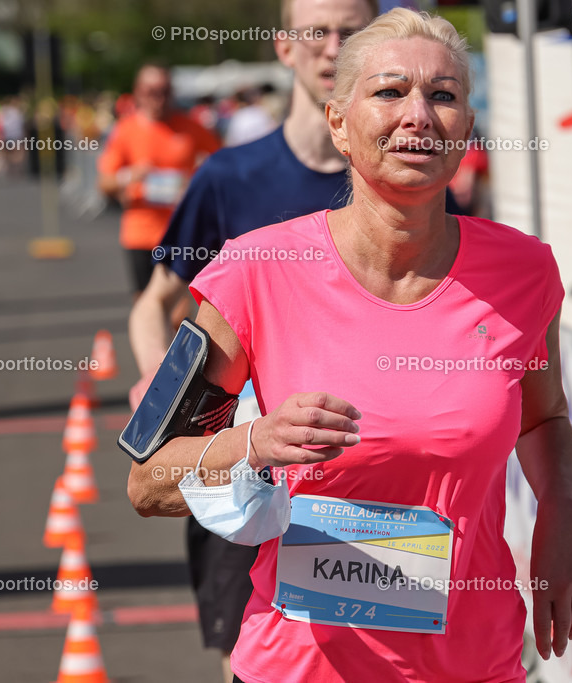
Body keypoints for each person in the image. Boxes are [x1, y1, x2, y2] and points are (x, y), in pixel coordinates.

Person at [126, 9, 572, 683]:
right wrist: (253, 443)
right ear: (339, 125)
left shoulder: (525, 273)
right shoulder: (252, 271)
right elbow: (148, 478)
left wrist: (562, 511)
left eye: (443, 96)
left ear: (466, 129)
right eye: (389, 92)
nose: (419, 115)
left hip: (473, 664)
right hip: (300, 669)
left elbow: (544, 415)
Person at [127, 2, 378, 681]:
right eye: (316, 33)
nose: (334, 48)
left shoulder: (402, 185)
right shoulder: (227, 180)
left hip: (359, 487)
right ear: (284, 49)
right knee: (254, 660)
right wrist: (160, 384)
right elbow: (156, 304)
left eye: (352, 32)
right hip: (244, 475)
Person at [97, 63, 219, 300]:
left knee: (180, 311)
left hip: (183, 232)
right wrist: (130, 176)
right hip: (140, 232)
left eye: (165, 91)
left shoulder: (190, 127)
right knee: (145, 306)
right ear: (138, 92)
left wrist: (196, 184)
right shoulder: (125, 130)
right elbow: (104, 183)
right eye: (152, 91)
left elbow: (222, 163)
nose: (160, 98)